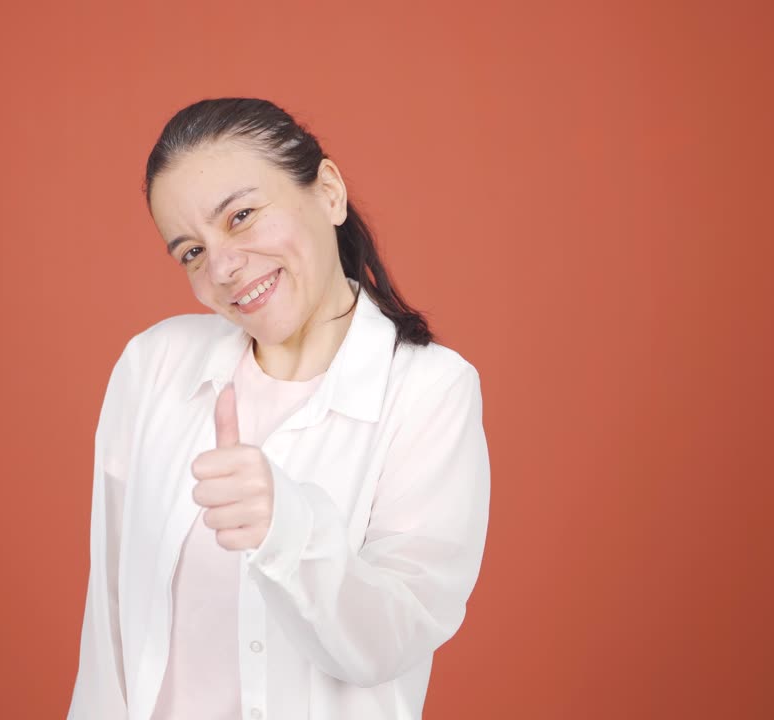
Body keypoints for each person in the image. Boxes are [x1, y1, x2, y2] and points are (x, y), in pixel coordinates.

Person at [67, 98, 490, 720]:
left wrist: (287, 527)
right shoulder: (152, 367)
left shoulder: (431, 391)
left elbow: (391, 639)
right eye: (190, 251)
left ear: (328, 192)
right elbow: (108, 633)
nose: (223, 267)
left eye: (241, 216)